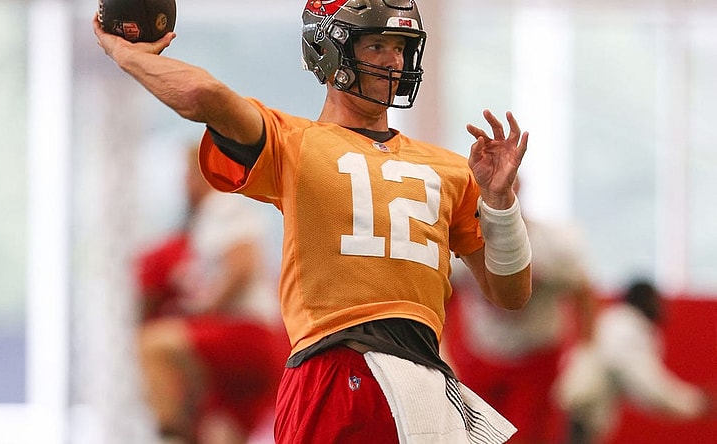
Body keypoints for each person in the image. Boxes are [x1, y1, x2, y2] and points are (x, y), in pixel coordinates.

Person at [95, 1, 533, 443]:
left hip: (425, 376)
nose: (394, 60)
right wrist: (128, 55)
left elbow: (511, 293)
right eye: (377, 44)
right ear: (329, 52)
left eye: (400, 46)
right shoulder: (295, 142)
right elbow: (205, 97)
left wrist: (500, 202)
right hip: (335, 363)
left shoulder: (452, 168)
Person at [135, 145, 287, 444]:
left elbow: (243, 265)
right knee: (220, 433)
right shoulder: (205, 222)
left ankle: (172, 434)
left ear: (204, 173)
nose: (184, 184)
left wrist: (205, 308)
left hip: (245, 334)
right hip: (247, 344)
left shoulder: (225, 206)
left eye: (188, 175)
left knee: (153, 345)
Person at [443, 178, 598, 444]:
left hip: (535, 361)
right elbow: (441, 292)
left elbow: (582, 293)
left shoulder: (550, 245)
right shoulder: (463, 239)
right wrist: (438, 346)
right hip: (480, 356)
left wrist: (586, 352)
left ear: (518, 189)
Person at [555, 279, 712, 444]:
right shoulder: (628, 331)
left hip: (571, 415)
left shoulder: (614, 322)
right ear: (648, 301)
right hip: (572, 421)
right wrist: (698, 404)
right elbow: (652, 390)